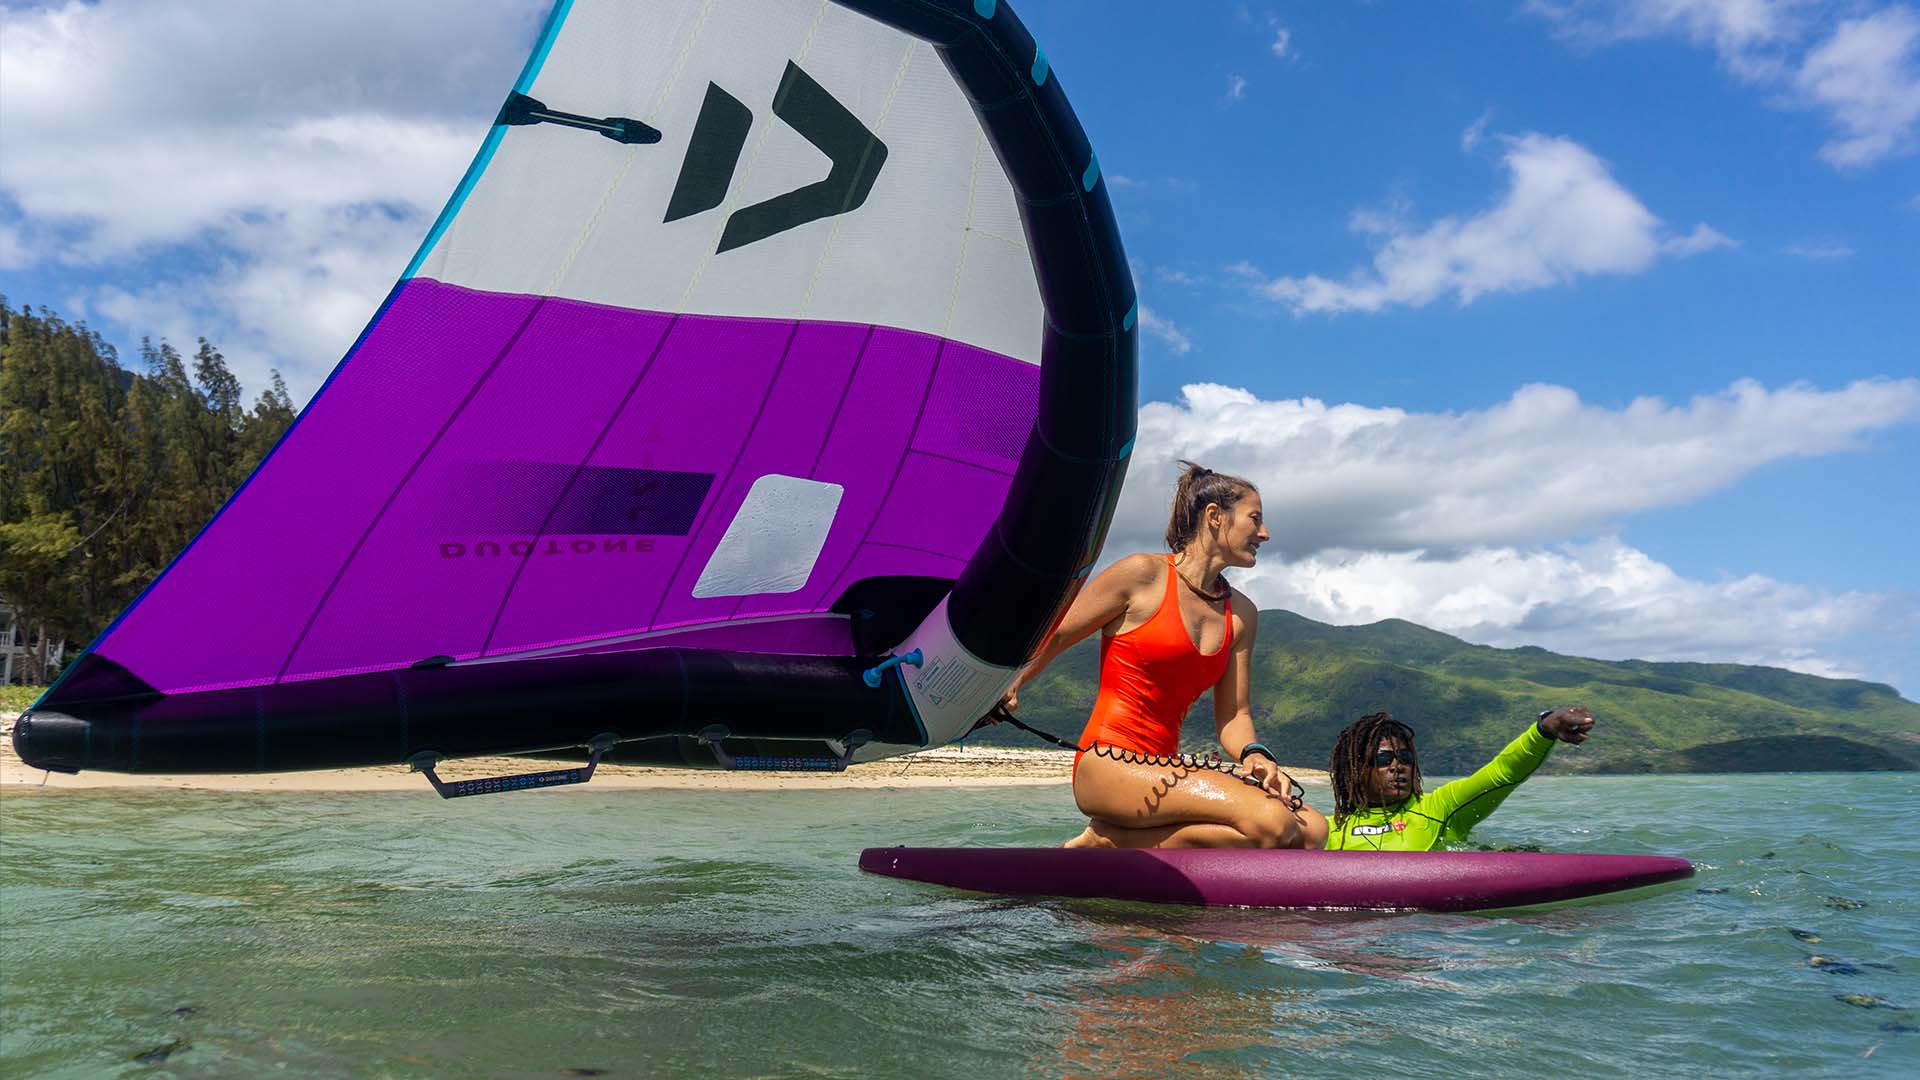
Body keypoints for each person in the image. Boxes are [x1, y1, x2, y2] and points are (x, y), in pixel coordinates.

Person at [1001, 462, 1327, 850]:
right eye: (1254, 519)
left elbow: (1234, 715)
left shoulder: (1241, 614)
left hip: (1165, 772)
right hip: (1108, 764)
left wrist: (1255, 755)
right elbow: (1054, 637)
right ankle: (1112, 840)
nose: (1265, 533)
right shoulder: (1142, 575)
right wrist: (1007, 686)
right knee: (1271, 823)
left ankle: (1121, 840)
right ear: (1214, 517)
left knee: (1312, 829)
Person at [1322, 706, 1596, 851]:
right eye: (1383, 760)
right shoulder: (1328, 829)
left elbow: (1502, 773)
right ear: (1354, 769)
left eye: (1406, 759)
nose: (1398, 767)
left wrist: (1543, 730)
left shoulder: (1440, 807)